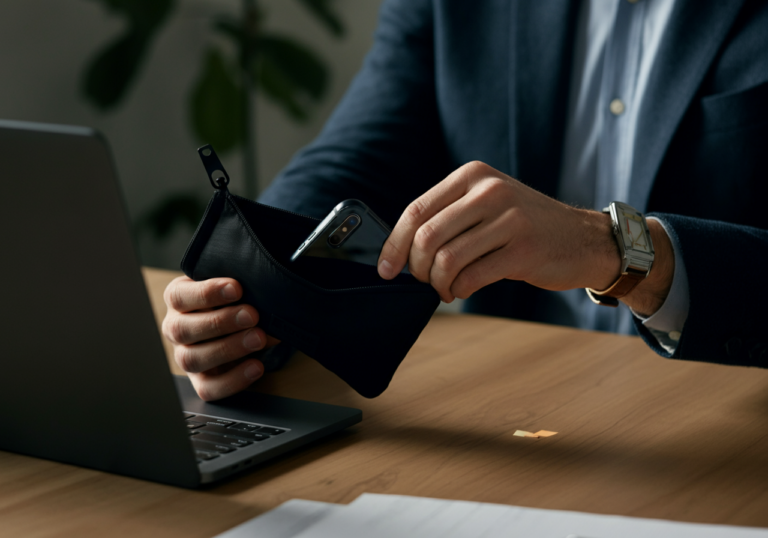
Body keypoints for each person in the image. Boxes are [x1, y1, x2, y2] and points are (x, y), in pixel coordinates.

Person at [162, 0, 768, 401]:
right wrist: (257, 285)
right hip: (517, 413)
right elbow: (358, 154)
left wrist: (613, 250)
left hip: (725, 424)